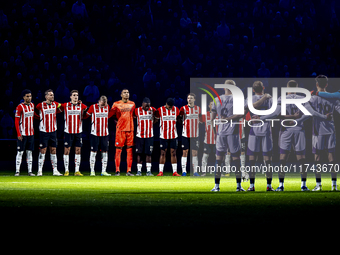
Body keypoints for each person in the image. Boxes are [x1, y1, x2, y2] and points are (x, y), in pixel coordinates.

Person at [257, 79, 332, 191]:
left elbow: (275, 114)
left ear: (287, 89)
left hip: (286, 130)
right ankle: (303, 185)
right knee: (301, 158)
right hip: (299, 129)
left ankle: (281, 185)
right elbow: (309, 113)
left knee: (283, 158)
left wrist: (261, 118)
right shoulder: (303, 98)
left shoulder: (282, 98)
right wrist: (297, 121)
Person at [303, 75, 340, 191]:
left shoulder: (312, 98)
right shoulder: (333, 98)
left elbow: (309, 111)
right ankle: (334, 184)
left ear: (317, 84)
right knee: (331, 157)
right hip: (330, 129)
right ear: (327, 84)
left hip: (317, 130)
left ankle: (318, 184)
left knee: (317, 158)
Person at [59, 90, 87, 176]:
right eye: (74, 95)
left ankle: (77, 171)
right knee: (67, 151)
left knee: (78, 150)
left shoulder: (81, 105)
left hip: (78, 132)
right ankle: (66, 170)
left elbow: (86, 108)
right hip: (68, 131)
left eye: (77, 95)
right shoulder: (65, 105)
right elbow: (58, 107)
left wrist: (80, 103)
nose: (76, 97)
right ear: (70, 97)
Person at [85, 95, 115, 176]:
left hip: (105, 133)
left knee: (105, 152)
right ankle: (92, 171)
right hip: (94, 133)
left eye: (104, 105)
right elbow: (86, 116)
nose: (103, 106)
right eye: (102, 104)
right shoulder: (93, 107)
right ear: (99, 101)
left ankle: (103, 171)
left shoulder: (107, 107)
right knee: (93, 152)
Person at [35, 89, 63, 176]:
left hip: (53, 131)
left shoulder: (55, 104)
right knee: (43, 150)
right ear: (46, 96)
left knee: (53, 150)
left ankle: (55, 170)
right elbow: (35, 111)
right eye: (50, 95)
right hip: (44, 132)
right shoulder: (40, 105)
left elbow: (62, 106)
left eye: (53, 94)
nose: (52, 96)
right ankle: (39, 170)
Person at [111, 89, 136, 176]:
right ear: (121, 94)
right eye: (124, 93)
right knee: (118, 150)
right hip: (120, 130)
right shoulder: (116, 104)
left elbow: (134, 115)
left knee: (129, 150)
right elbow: (112, 115)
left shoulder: (132, 104)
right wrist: (117, 122)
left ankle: (128, 171)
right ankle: (117, 171)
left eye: (128, 92)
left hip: (130, 129)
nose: (126, 94)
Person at [156, 97, 181, 176]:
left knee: (173, 153)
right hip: (163, 135)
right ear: (166, 104)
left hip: (173, 135)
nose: (170, 108)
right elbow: (156, 120)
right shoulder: (160, 110)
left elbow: (179, 120)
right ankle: (160, 172)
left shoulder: (176, 109)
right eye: (169, 106)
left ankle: (175, 172)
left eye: (171, 107)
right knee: (163, 153)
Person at [179, 93, 202, 176]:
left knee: (194, 153)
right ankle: (184, 171)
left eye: (191, 98)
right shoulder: (183, 108)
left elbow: (201, 120)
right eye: (188, 98)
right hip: (185, 134)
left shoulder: (198, 109)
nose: (189, 99)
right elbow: (179, 118)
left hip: (195, 135)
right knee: (185, 152)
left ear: (194, 99)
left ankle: (195, 171)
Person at [14, 89, 35, 176]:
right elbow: (16, 121)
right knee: (20, 152)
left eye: (30, 96)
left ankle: (30, 171)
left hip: (31, 133)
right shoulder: (20, 107)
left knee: (29, 152)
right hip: (22, 133)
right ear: (23, 97)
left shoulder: (32, 105)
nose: (29, 98)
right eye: (27, 96)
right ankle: (17, 171)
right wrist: (19, 133)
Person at [134, 97, 157, 176]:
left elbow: (157, 117)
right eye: (145, 106)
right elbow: (133, 117)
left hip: (149, 135)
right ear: (142, 104)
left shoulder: (153, 110)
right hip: (139, 135)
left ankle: (148, 171)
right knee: (139, 153)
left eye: (148, 106)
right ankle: (139, 171)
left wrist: (153, 122)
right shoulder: (137, 110)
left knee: (148, 154)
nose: (147, 107)